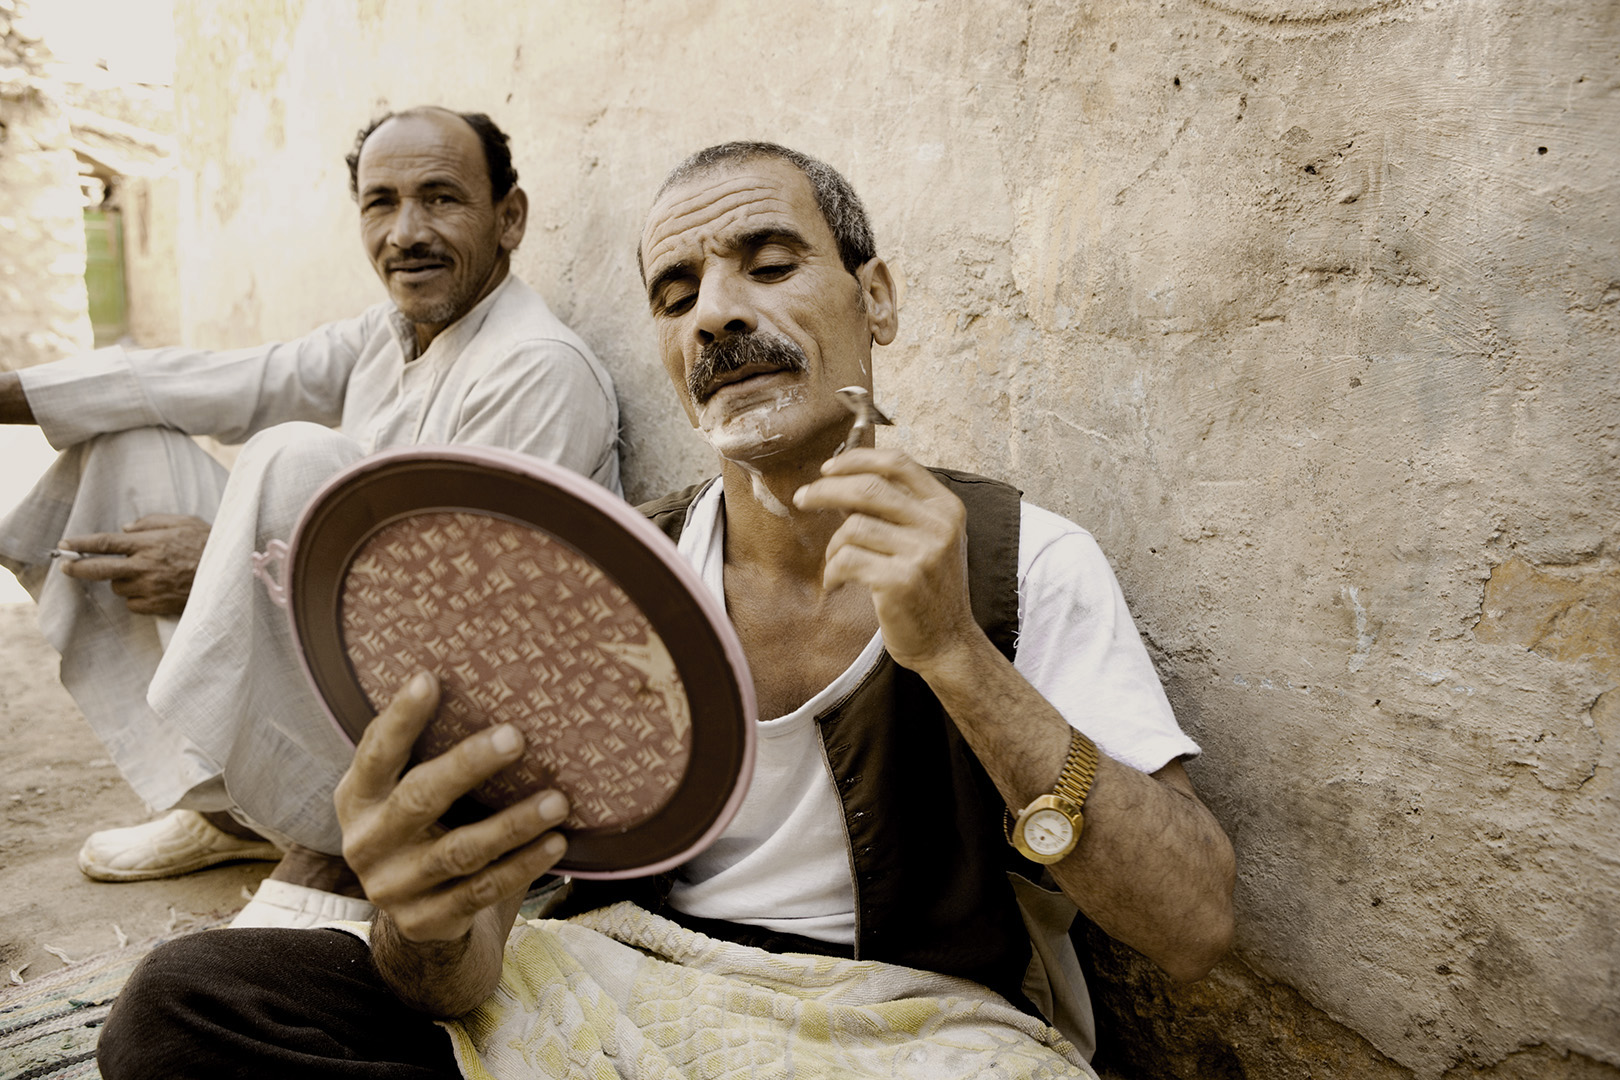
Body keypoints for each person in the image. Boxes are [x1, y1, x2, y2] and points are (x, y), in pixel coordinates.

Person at [97, 142, 1234, 1078]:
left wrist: (956, 655)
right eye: (676, 295)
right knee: (185, 1006)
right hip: (616, 994)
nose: (717, 317)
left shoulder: (1022, 560)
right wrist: (423, 922)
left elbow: (1193, 925)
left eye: (770, 265)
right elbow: (463, 968)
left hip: (909, 1031)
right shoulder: (605, 578)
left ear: (876, 299)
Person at [0, 106, 620, 926]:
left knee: (298, 461)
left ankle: (333, 854)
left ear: (509, 218)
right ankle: (236, 813)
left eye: (441, 199)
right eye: (381, 203)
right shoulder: (390, 332)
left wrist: (223, 562)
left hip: (477, 738)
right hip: (355, 647)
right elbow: (224, 383)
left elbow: (471, 626)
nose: (407, 233)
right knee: (132, 446)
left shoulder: (537, 368)